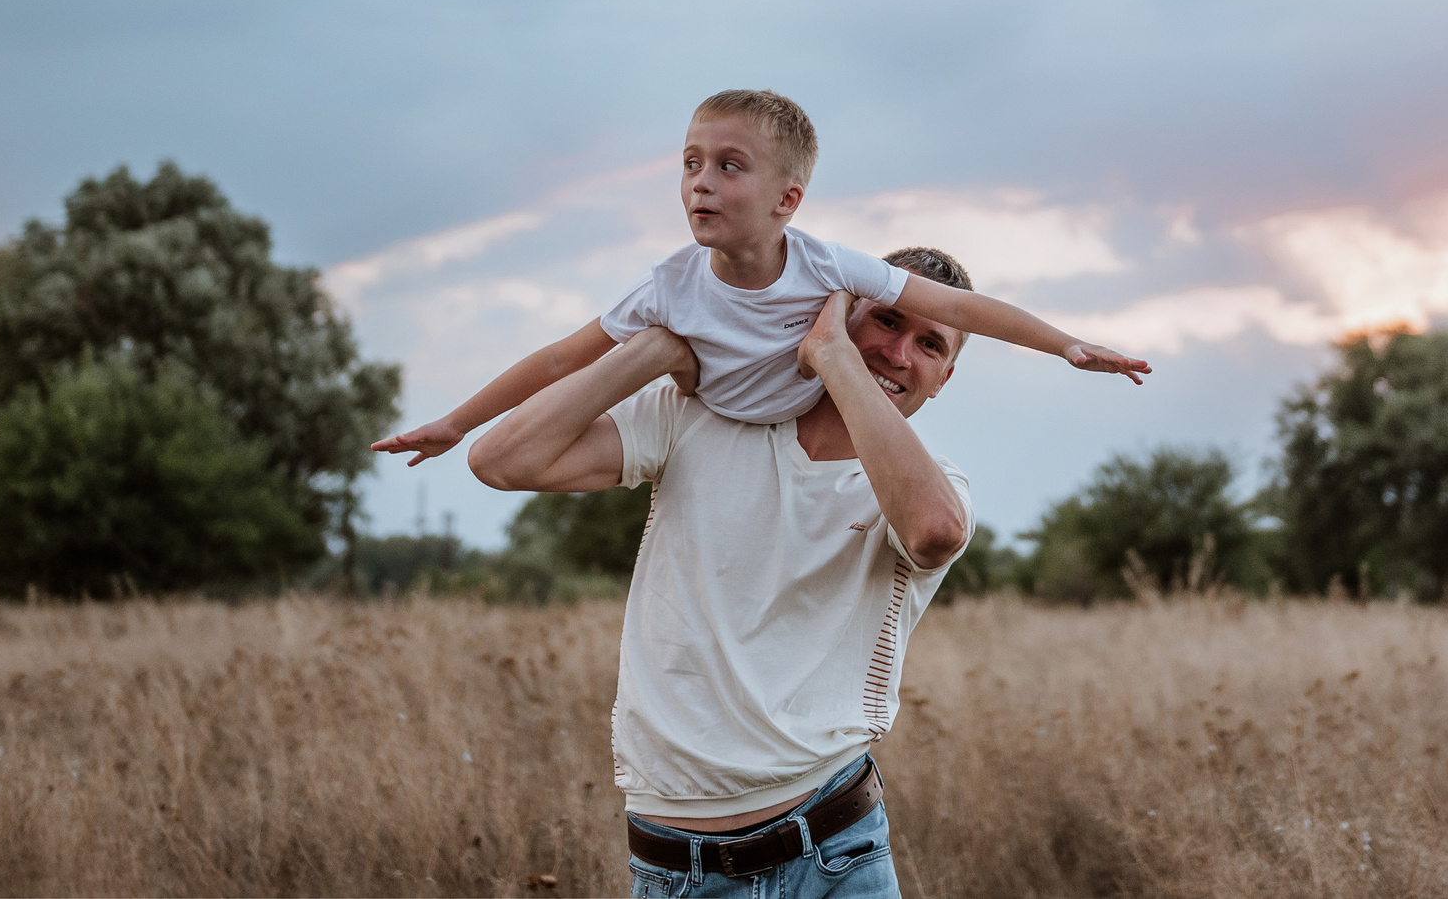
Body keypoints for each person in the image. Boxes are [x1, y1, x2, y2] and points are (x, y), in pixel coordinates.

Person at [467, 247, 982, 897]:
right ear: (843, 309)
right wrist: (650, 351)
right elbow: (501, 459)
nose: (899, 352)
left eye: (929, 343)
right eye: (887, 321)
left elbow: (933, 533)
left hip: (839, 852)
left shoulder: (937, 489)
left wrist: (833, 353)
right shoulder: (698, 417)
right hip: (686, 869)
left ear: (945, 376)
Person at [373, 89, 1146, 468]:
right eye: (690, 163)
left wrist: (1067, 345)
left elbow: (956, 303)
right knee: (653, 349)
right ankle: (676, 362)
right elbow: (558, 359)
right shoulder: (669, 285)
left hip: (801, 419)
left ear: (787, 200)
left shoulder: (826, 267)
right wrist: (456, 421)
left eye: (729, 166)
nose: (701, 182)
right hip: (713, 416)